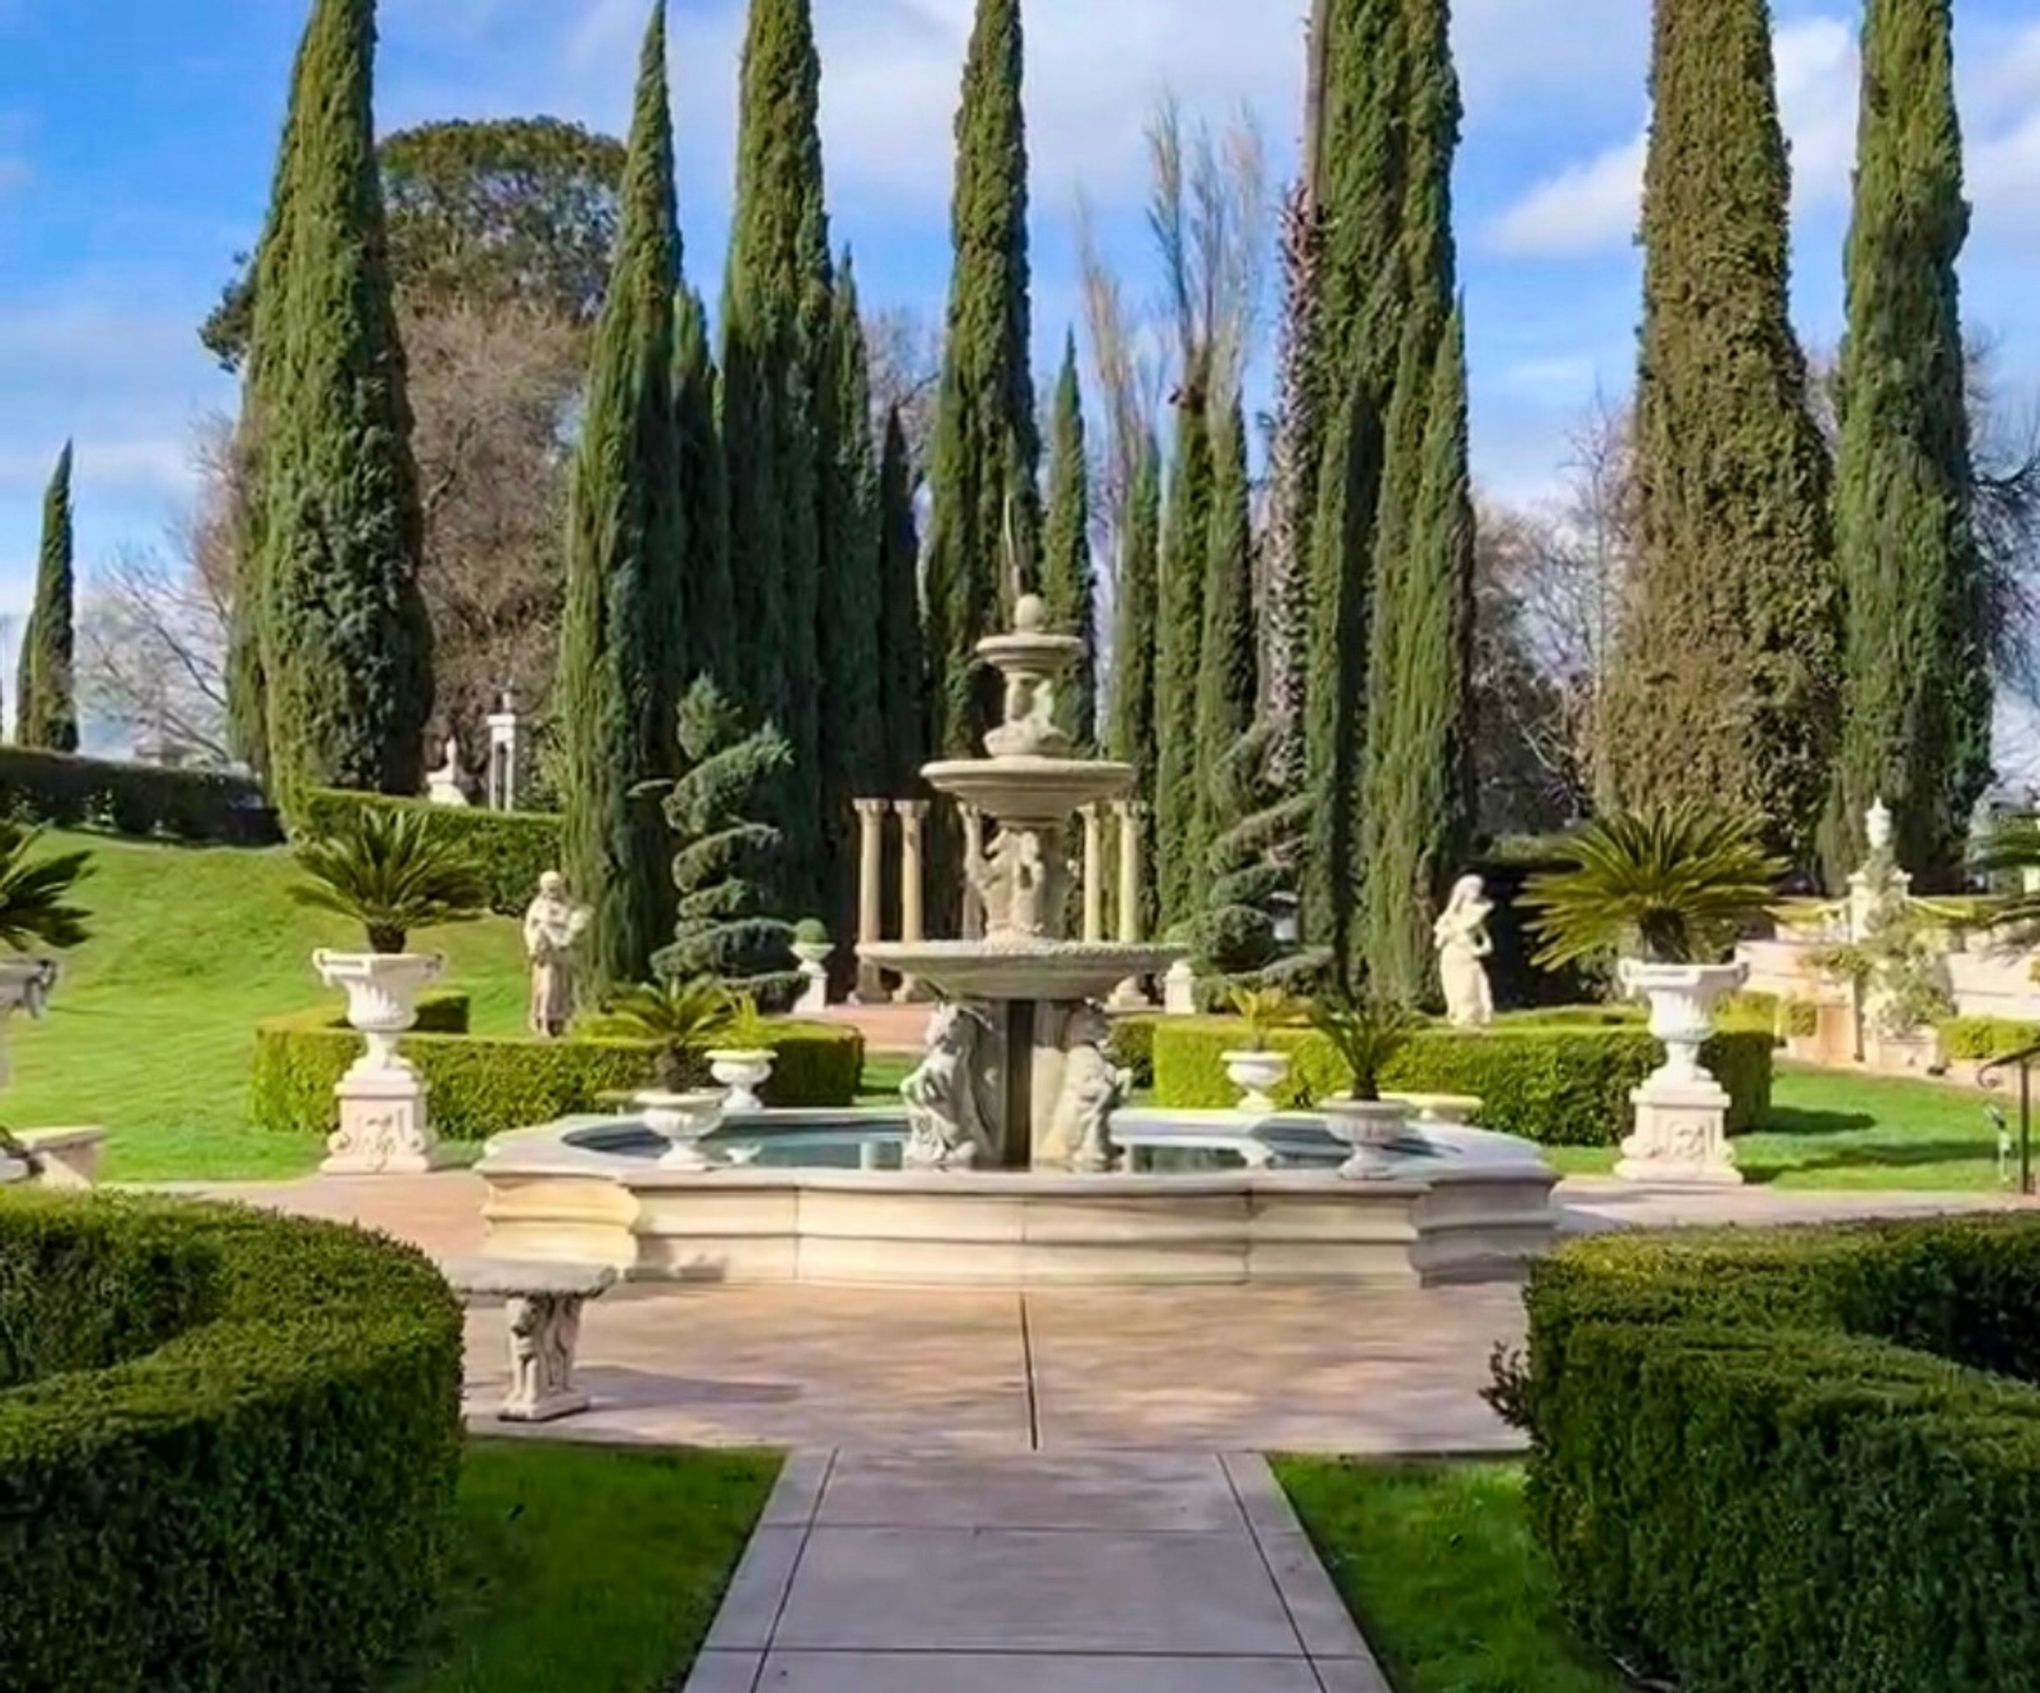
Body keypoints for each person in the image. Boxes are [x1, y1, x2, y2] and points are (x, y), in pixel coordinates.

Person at [522, 872, 589, 1038]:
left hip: (563, 955)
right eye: (549, 887)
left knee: (563, 990)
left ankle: (561, 1022)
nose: (552, 890)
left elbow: (577, 924)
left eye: (555, 887)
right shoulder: (538, 906)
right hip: (545, 955)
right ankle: (543, 1022)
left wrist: (570, 936)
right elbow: (529, 928)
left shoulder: (569, 905)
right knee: (546, 989)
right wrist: (533, 946)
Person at [1434, 874, 1496, 1028]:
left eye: (1478, 888)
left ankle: (1474, 1022)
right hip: (1452, 957)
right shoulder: (1448, 918)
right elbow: (1438, 944)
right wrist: (1448, 934)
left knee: (1475, 989)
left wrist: (1479, 949)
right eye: (1473, 888)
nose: (1476, 892)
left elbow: (1487, 943)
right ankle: (1461, 1021)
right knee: (1458, 992)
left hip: (1468, 957)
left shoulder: (1477, 913)